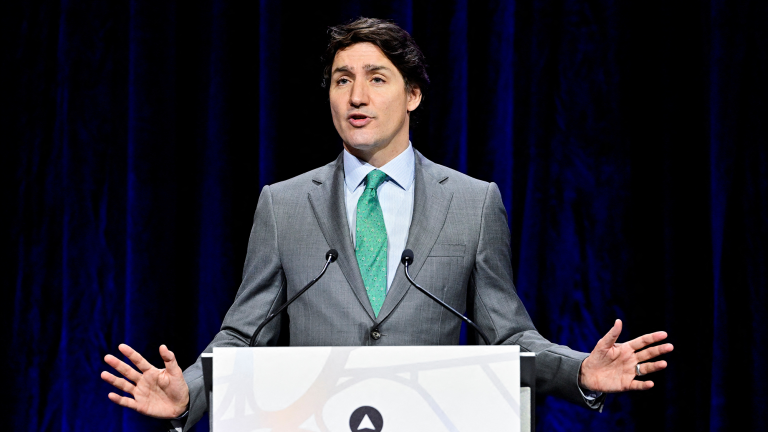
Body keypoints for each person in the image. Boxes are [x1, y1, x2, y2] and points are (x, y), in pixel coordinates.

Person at [101, 17, 673, 430]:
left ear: (414, 95)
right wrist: (187, 397)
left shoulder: (472, 203)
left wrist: (580, 372)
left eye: (377, 78)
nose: (356, 95)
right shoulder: (284, 204)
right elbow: (243, 334)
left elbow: (509, 335)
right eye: (341, 79)